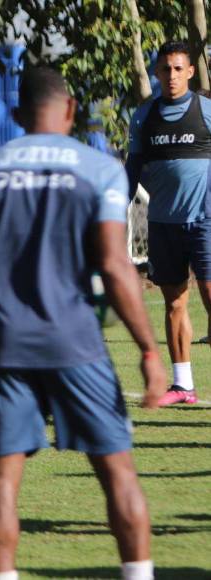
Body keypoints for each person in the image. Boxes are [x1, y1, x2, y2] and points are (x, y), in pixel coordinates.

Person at [0, 66, 167, 580]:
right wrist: (149, 351)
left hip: (6, 349)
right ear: (70, 109)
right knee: (118, 475)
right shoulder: (97, 169)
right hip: (78, 345)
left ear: (19, 115)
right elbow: (117, 267)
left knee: (1, 487)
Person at [125, 40, 211, 406]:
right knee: (174, 303)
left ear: (190, 72)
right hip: (162, 224)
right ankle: (183, 385)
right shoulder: (144, 116)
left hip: (205, 221)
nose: (172, 75)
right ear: (156, 73)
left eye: (179, 69)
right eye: (165, 69)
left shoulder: (206, 110)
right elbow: (131, 171)